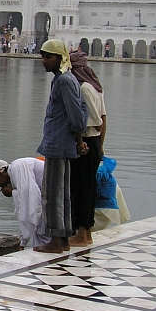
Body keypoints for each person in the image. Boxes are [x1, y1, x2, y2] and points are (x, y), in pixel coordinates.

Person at [35, 39, 88, 253]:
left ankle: (56, 241)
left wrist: (79, 141)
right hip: (59, 141)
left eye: (49, 57)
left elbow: (76, 114)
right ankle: (64, 239)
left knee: (53, 193)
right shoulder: (63, 79)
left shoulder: (65, 81)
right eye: (43, 57)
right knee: (62, 192)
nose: (44, 61)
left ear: (60, 58)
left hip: (59, 143)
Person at [68, 51, 106, 247]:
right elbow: (104, 120)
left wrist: (81, 143)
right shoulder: (96, 87)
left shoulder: (83, 88)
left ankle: (82, 235)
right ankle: (86, 233)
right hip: (94, 143)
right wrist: (101, 147)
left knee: (81, 190)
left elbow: (91, 122)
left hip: (85, 143)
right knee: (88, 190)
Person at [0, 158, 51, 249]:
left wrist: (22, 242)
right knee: (40, 233)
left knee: (42, 234)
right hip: (52, 196)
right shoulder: (15, 170)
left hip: (57, 194)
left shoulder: (17, 167)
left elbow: (28, 200)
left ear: (0, 174)